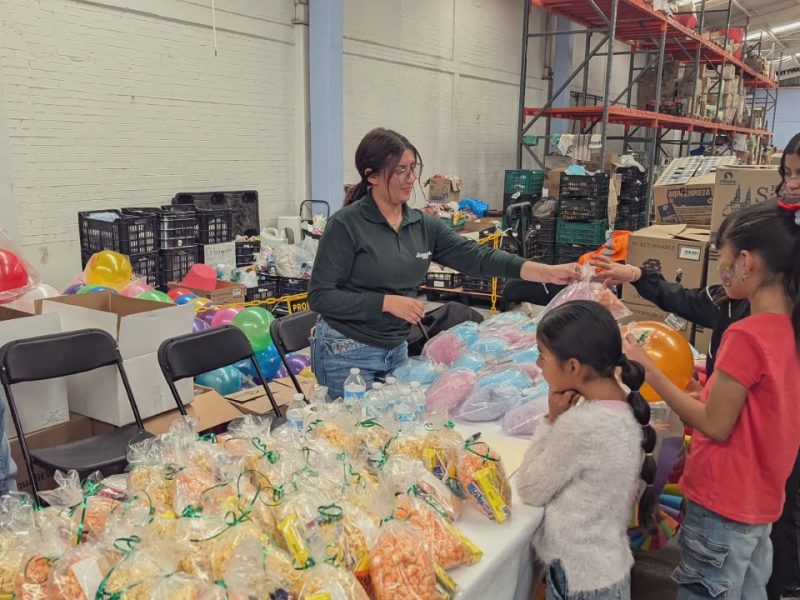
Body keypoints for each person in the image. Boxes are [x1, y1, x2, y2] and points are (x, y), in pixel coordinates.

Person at [593, 133, 800, 599]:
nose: (722, 275)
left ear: (746, 262)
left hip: (722, 509)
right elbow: (756, 417)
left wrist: (648, 365)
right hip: (761, 506)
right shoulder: (788, 328)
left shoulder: (746, 334)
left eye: (723, 263)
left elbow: (716, 423)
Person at [308, 128, 580, 400]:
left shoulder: (420, 224)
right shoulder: (346, 225)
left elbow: (479, 257)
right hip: (347, 349)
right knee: (352, 433)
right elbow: (321, 296)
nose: (410, 179)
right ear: (373, 176)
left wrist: (548, 272)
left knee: (393, 430)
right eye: (400, 170)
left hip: (395, 346)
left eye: (412, 168)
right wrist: (385, 303)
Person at [517, 300, 655, 600]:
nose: (540, 367)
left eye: (543, 358)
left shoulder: (583, 424)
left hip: (580, 574)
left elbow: (530, 488)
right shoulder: (626, 402)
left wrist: (552, 421)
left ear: (573, 367)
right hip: (607, 565)